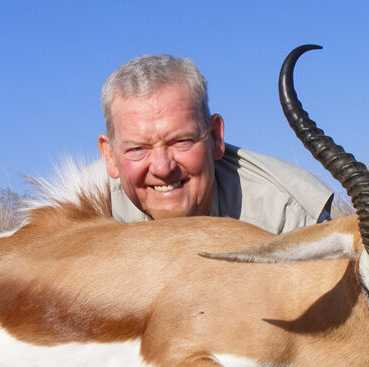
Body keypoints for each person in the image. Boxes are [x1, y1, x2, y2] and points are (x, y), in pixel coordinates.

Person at [96, 54, 333, 234]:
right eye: (138, 149)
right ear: (110, 156)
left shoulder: (290, 218)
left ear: (215, 137)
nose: (162, 168)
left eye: (181, 141)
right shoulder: (88, 214)